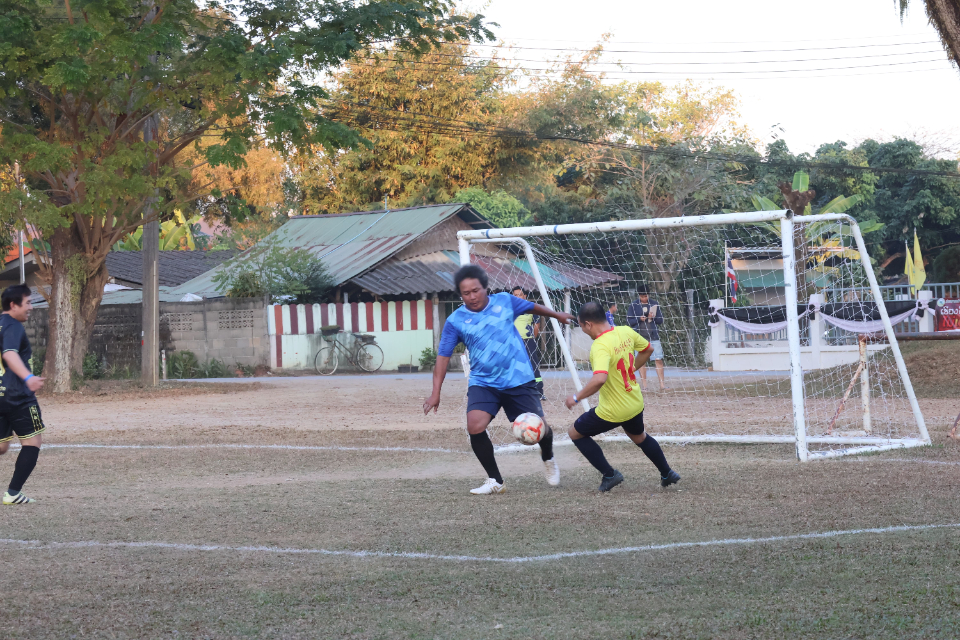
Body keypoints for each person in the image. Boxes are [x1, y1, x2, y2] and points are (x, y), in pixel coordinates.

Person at [424, 265, 574, 494]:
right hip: (484, 382)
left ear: (485, 288)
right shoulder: (456, 321)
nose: (472, 296)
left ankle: (548, 457)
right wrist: (436, 393)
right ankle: (496, 480)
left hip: (519, 378)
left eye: (476, 290)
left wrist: (557, 315)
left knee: (540, 428)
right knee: (474, 426)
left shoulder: (505, 301)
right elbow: (442, 358)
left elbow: (532, 307)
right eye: (466, 293)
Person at [564, 301, 680, 492]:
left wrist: (576, 397)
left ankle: (609, 475)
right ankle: (667, 473)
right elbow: (648, 349)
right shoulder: (625, 331)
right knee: (640, 437)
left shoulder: (600, 345)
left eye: (582, 326)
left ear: (589, 324)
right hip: (634, 402)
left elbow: (599, 379)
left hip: (614, 410)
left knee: (575, 433)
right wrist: (631, 369)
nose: (583, 331)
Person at [0, 284, 46, 505]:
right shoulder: (13, 326)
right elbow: (9, 354)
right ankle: (13, 494)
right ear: (13, 305)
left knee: (1, 447)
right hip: (17, 395)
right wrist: (28, 378)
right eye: (27, 302)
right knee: (32, 442)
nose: (31, 307)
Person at [626, 287, 666, 392]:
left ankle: (662, 385)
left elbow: (660, 320)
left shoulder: (654, 304)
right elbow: (629, 321)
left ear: (649, 295)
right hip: (639, 338)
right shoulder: (634, 305)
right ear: (639, 295)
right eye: (642, 296)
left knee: (658, 359)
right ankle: (645, 386)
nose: (644, 298)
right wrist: (639, 319)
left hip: (653, 336)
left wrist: (653, 317)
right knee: (641, 362)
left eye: (646, 296)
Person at [510, 286, 545, 400]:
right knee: (514, 366)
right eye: (515, 295)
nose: (517, 297)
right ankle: (517, 392)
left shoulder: (530, 307)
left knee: (533, 366)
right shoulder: (510, 308)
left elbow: (537, 324)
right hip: (514, 341)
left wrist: (532, 337)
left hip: (528, 341)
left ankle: (539, 391)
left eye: (520, 294)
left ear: (524, 296)